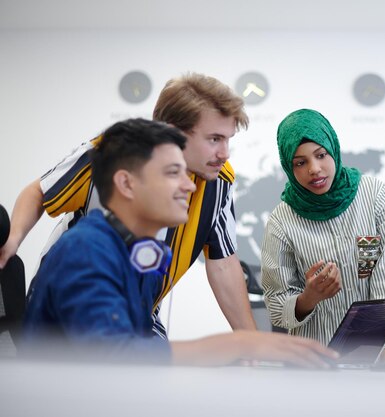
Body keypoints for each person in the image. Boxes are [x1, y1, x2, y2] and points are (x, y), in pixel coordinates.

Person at [21, 118, 337, 367]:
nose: (190, 185)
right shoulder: (87, 251)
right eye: (174, 173)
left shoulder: (142, 256)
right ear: (127, 183)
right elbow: (116, 359)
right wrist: (239, 345)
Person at [0, 73, 256, 336]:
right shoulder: (109, 155)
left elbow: (223, 262)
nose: (225, 154)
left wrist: (250, 342)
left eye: (228, 139)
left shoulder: (219, 179)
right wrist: (13, 240)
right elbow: (40, 192)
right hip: (67, 308)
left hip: (137, 309)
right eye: (214, 139)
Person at [261, 109, 385, 360]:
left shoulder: (374, 197)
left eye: (321, 155)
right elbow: (276, 305)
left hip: (383, 355)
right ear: (289, 166)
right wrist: (308, 298)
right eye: (300, 162)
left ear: (334, 150)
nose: (315, 169)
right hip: (317, 363)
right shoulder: (281, 221)